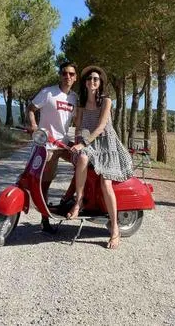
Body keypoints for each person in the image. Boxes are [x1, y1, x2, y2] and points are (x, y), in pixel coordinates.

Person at [68, 65, 133, 249]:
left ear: (100, 82)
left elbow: (101, 126)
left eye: (96, 79)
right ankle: (78, 201)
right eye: (89, 79)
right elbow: (79, 128)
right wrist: (76, 142)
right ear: (85, 82)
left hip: (106, 144)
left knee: (106, 183)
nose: (92, 81)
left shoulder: (106, 101)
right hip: (88, 143)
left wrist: (83, 143)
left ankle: (114, 229)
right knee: (81, 158)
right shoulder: (81, 105)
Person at [27, 61, 78, 233]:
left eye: (71, 74)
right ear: (60, 75)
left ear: (75, 78)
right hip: (48, 145)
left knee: (85, 164)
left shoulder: (74, 98)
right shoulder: (48, 92)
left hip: (63, 143)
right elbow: (31, 108)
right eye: (64, 73)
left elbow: (78, 121)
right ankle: (45, 219)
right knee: (45, 184)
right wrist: (34, 125)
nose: (67, 77)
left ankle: (68, 201)